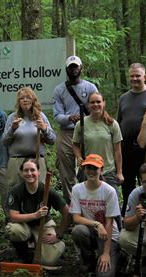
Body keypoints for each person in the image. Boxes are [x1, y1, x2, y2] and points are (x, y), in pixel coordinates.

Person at [5, 159, 70, 265]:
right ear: (22, 173)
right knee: (13, 230)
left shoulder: (47, 190)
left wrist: (59, 234)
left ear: (39, 172)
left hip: (43, 226)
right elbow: (13, 217)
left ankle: (55, 246)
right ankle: (24, 255)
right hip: (24, 226)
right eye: (26, 170)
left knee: (48, 261)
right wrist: (36, 215)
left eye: (32, 170)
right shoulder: (16, 191)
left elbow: (67, 212)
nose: (29, 173)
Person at [69, 154, 121, 277]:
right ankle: (89, 260)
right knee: (78, 230)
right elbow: (76, 217)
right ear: (83, 169)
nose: (91, 171)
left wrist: (106, 253)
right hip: (92, 231)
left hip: (109, 235)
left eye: (95, 168)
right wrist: (97, 224)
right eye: (88, 168)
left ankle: (119, 256)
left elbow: (109, 223)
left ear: (101, 170)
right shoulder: (77, 189)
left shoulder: (109, 191)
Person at [53, 55, 98, 203]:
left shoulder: (90, 87)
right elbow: (57, 115)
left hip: (87, 131)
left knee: (90, 167)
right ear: (66, 69)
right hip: (67, 132)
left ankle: (91, 203)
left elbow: (97, 108)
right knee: (66, 173)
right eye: (71, 67)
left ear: (81, 68)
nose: (73, 70)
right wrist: (69, 118)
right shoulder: (59, 90)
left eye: (76, 66)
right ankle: (73, 207)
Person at [2, 87, 56, 191]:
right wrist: (12, 129)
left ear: (33, 100)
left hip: (36, 160)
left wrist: (44, 129)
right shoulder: (12, 117)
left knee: (38, 191)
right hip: (16, 161)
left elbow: (52, 140)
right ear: (19, 101)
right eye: (22, 98)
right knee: (15, 191)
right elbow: (4, 141)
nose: (25, 100)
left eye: (28, 97)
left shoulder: (40, 117)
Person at [117, 63, 146, 217]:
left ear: (144, 76)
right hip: (126, 148)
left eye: (138, 75)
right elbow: (119, 122)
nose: (134, 79)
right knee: (127, 185)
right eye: (132, 76)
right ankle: (129, 214)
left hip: (145, 148)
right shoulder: (124, 98)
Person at [73, 92, 123, 191]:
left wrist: (119, 172)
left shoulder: (112, 124)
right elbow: (75, 144)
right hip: (88, 171)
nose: (95, 105)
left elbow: (117, 150)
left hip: (108, 171)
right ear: (88, 105)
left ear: (104, 103)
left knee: (111, 202)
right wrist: (78, 156)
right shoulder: (81, 124)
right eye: (92, 102)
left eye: (98, 102)